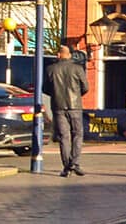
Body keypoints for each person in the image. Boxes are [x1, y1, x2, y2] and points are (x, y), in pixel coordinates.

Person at [43, 45, 88, 177]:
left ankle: (66, 166)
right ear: (69, 55)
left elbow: (45, 88)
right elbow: (85, 87)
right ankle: (75, 162)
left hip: (58, 106)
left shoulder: (51, 69)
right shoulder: (78, 68)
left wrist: (56, 95)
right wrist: (77, 95)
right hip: (75, 106)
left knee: (64, 137)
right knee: (78, 134)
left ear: (59, 55)